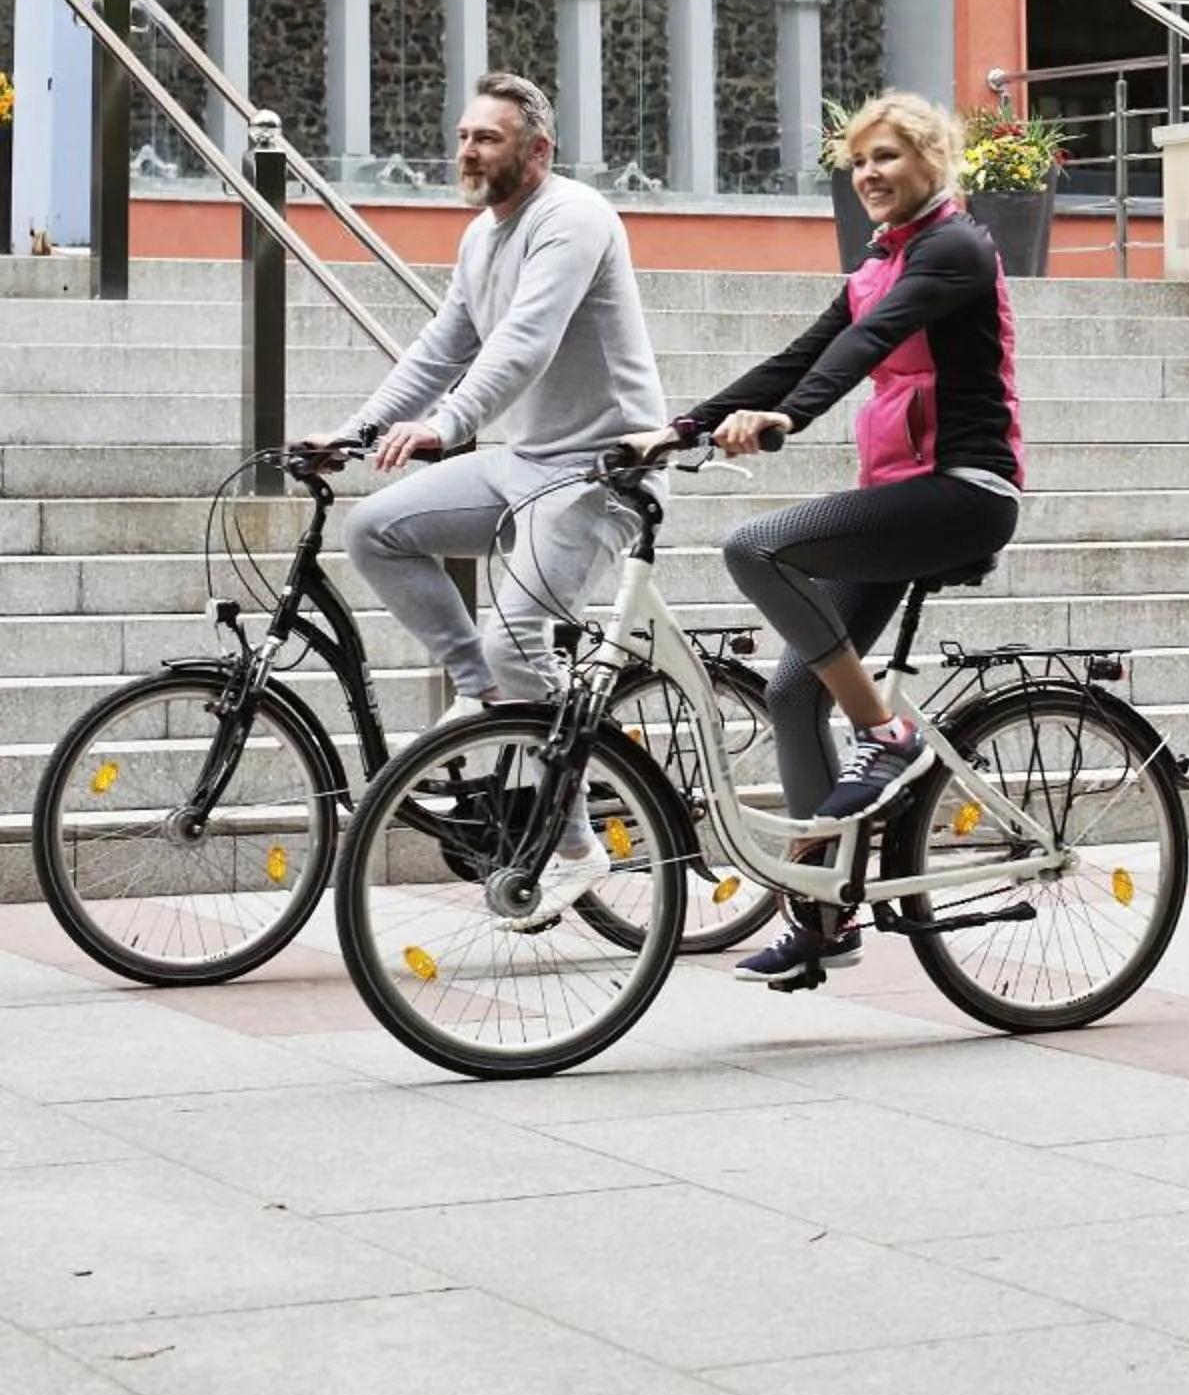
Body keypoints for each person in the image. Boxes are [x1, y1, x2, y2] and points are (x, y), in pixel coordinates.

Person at [668, 89, 1025, 990]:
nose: (868, 174)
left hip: (965, 493)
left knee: (758, 548)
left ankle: (885, 732)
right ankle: (826, 922)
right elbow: (802, 351)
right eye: (858, 161)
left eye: (888, 158)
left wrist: (785, 420)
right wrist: (681, 427)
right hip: (902, 496)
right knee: (791, 692)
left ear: (932, 164)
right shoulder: (879, 260)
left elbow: (863, 349)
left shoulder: (952, 248)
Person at [319, 71, 666, 922]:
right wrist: (357, 433)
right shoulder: (483, 235)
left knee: (521, 640)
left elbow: (525, 344)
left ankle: (578, 847)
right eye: (465, 135)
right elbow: (444, 344)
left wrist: (448, 425)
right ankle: (494, 704)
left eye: (488, 138)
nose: (467, 150)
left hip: (602, 468)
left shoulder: (573, 218)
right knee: (377, 529)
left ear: (537, 150)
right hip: (526, 463)